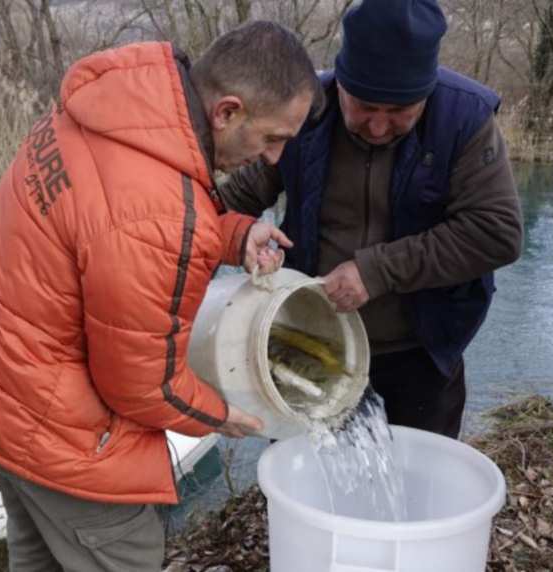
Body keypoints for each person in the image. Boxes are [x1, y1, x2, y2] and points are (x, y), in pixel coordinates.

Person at [0, 21, 321, 571]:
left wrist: (235, 233)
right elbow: (144, 387)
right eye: (273, 138)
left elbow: (111, 222)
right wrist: (225, 414)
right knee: (128, 551)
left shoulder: (120, 107)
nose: (275, 158)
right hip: (56, 428)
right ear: (227, 112)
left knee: (37, 556)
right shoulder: (158, 208)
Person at [218, 0, 522, 438]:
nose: (378, 127)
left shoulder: (464, 120)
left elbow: (497, 233)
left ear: (427, 93)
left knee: (420, 491)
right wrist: (235, 233)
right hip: (303, 342)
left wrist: (376, 270)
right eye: (363, 107)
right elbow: (235, 198)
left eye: (400, 112)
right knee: (307, 489)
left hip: (420, 352)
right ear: (340, 84)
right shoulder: (304, 112)